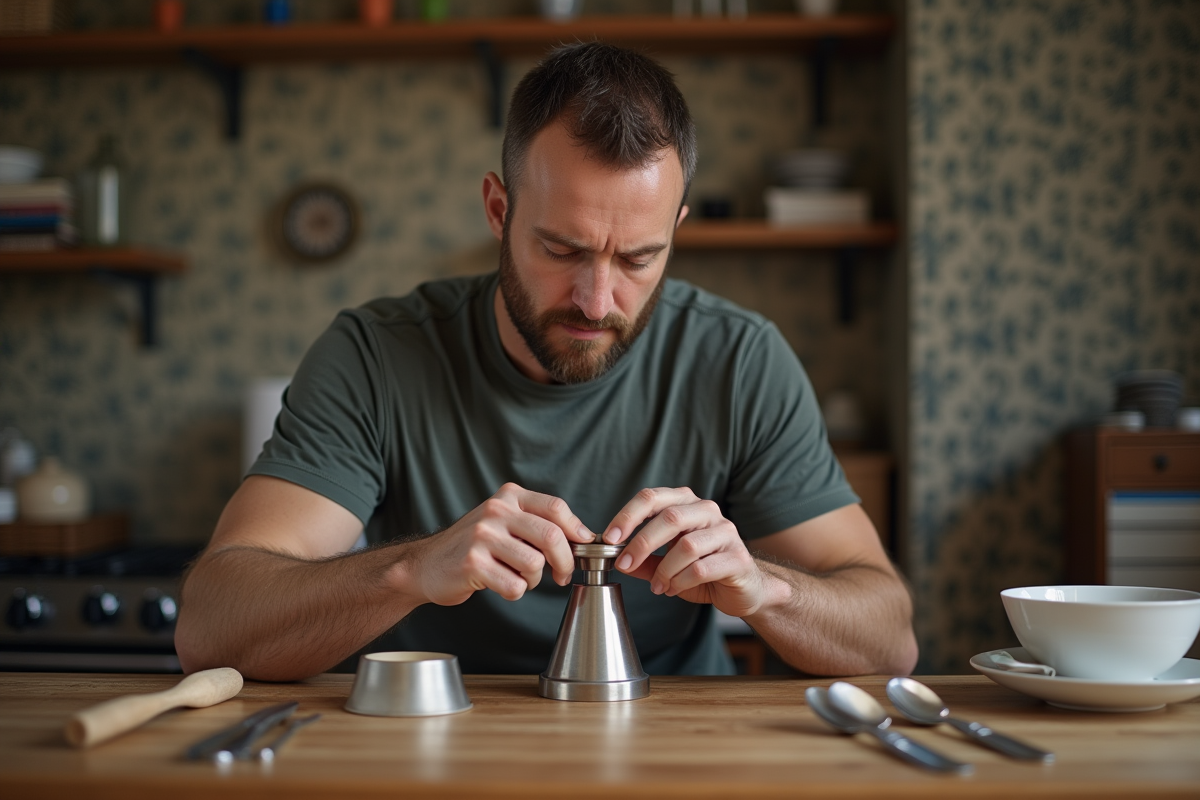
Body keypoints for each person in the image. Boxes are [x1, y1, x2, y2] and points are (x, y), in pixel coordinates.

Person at [176, 42, 917, 682]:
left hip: (676, 747)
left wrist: (762, 587)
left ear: (677, 230)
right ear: (499, 211)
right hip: (435, 744)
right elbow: (210, 628)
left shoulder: (741, 360)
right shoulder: (375, 355)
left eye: (638, 257)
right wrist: (412, 570)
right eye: (562, 250)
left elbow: (891, 638)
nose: (597, 301)